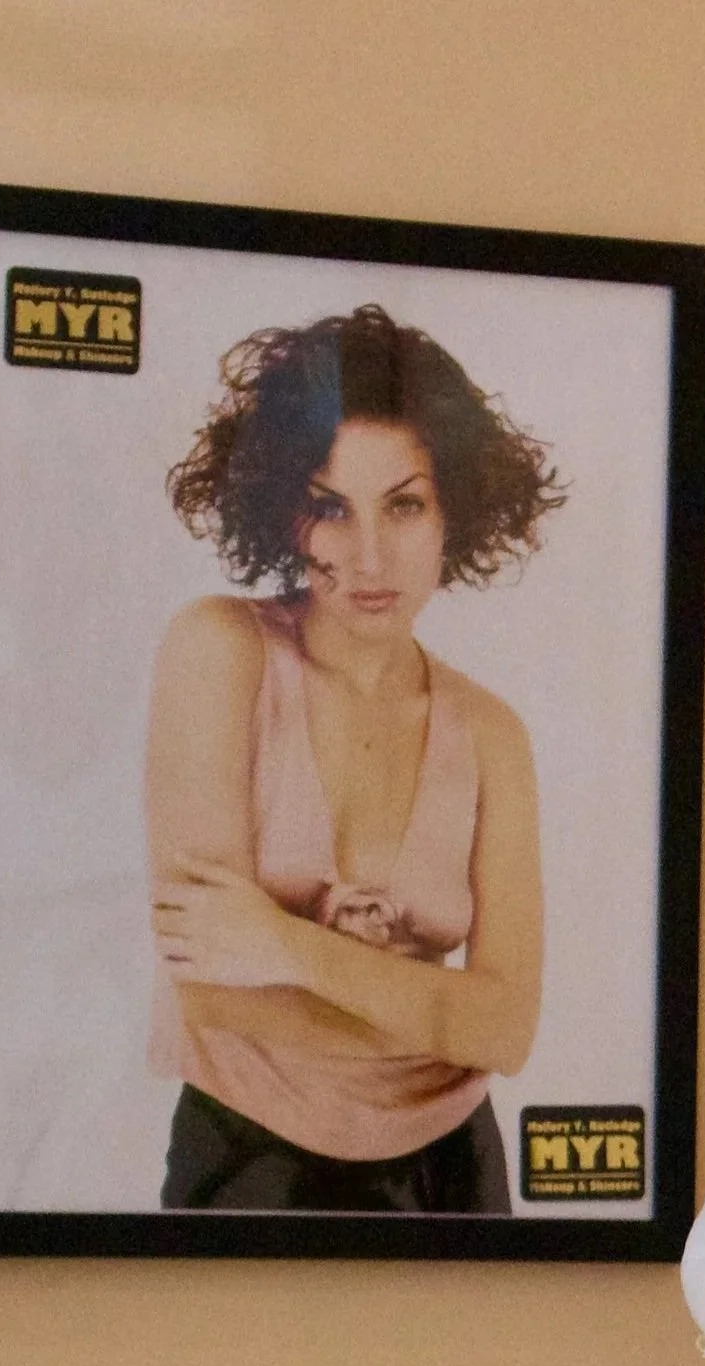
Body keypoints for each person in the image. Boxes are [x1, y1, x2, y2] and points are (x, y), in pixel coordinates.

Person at [146, 305, 561, 1212]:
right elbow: (214, 996)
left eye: (404, 504)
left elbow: (508, 1030)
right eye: (329, 507)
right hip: (249, 1156)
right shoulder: (220, 652)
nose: (369, 554)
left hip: (456, 1170)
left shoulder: (493, 733)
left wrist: (285, 945)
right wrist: (437, 1012)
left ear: (456, 509)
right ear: (280, 513)